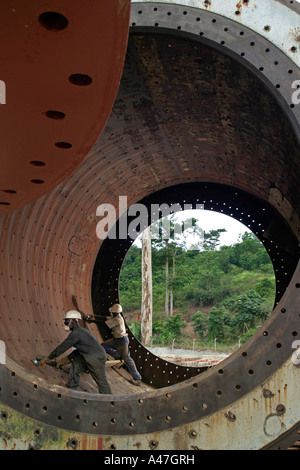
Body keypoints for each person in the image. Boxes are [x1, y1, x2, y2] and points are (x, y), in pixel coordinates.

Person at [40, 310, 111, 394]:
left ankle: (108, 400)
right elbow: (79, 351)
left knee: (101, 380)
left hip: (96, 357)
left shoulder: (76, 333)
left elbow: (63, 347)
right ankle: (71, 388)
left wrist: (49, 358)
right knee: (76, 364)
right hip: (89, 355)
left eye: (67, 321)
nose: (66, 323)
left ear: (73, 321)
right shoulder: (81, 331)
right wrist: (62, 362)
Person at [84, 303, 142, 386]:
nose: (112, 314)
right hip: (116, 339)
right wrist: (94, 315)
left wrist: (92, 321)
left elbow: (105, 324)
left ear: (116, 313)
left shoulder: (117, 319)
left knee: (127, 359)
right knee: (102, 347)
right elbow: (105, 318)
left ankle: (137, 378)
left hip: (122, 341)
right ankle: (118, 355)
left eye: (113, 313)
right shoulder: (115, 316)